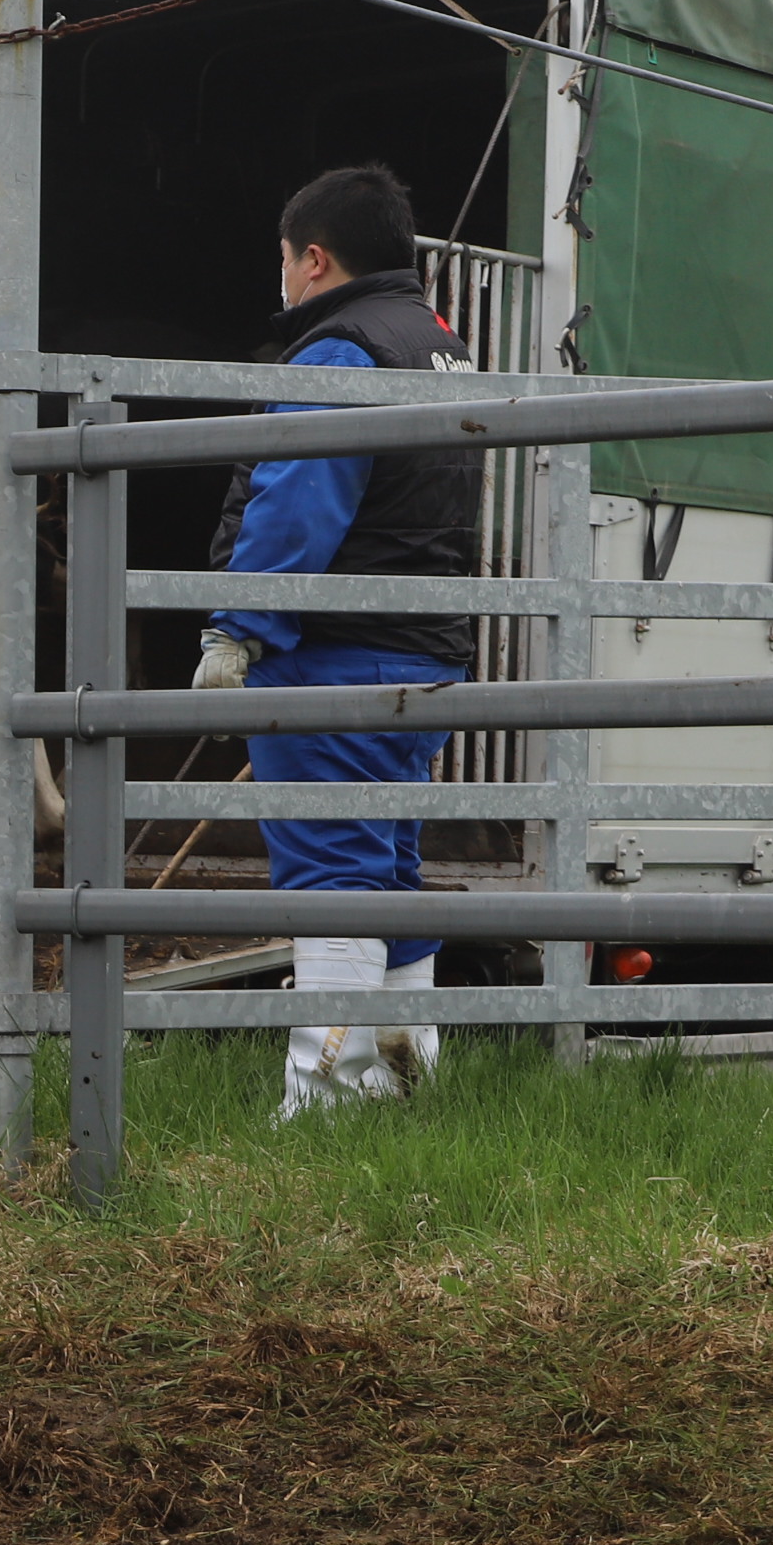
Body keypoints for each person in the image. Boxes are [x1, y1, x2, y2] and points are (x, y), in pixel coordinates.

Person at [192, 164, 481, 1120]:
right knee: (386, 861)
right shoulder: (442, 347)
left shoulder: (342, 354)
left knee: (333, 869)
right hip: (424, 653)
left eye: (282, 260)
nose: (279, 278)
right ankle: (407, 1071)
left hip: (338, 653)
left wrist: (237, 627)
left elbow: (296, 503)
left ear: (314, 260)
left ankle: (326, 1101)